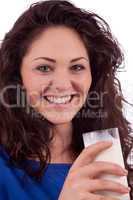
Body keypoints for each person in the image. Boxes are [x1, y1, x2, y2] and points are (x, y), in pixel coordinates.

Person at [0, 0, 132, 199]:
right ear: (17, 76)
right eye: (44, 68)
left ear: (92, 76)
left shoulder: (108, 153)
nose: (62, 84)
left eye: (77, 67)